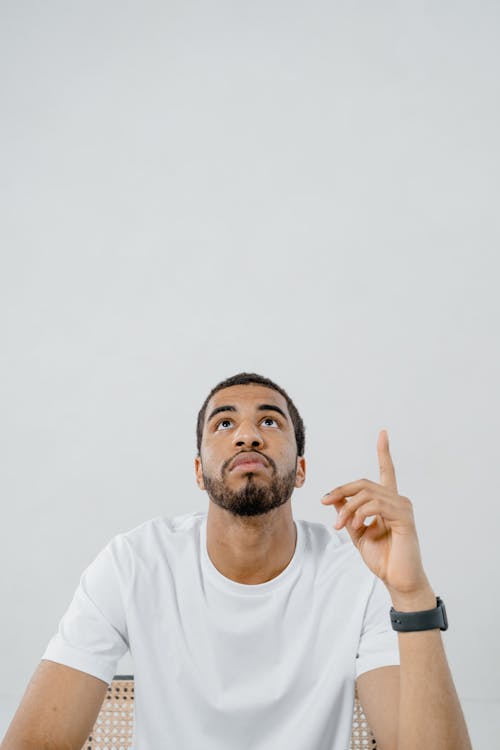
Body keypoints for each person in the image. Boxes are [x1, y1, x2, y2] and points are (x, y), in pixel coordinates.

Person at [1, 372, 473, 750]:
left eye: (270, 422)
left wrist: (411, 595)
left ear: (301, 470)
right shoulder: (132, 564)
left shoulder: (359, 574)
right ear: (198, 474)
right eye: (224, 423)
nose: (247, 435)